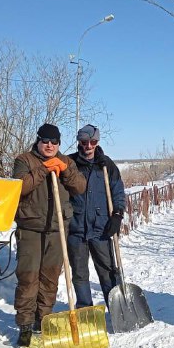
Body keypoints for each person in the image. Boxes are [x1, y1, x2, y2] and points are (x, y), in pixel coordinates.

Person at [12, 123, 86, 347]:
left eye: (54, 142)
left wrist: (65, 170)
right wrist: (44, 169)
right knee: (28, 278)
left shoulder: (67, 162)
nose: (50, 145)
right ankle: (25, 325)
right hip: (31, 228)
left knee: (50, 279)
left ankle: (43, 320)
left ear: (59, 144)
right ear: (38, 141)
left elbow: (80, 187)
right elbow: (20, 187)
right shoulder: (24, 160)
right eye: (46, 141)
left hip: (57, 229)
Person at [67, 124, 126, 309]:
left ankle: (116, 308)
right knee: (79, 273)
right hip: (76, 229)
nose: (88, 146)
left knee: (108, 270)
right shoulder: (70, 164)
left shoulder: (106, 164)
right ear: (79, 142)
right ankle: (85, 309)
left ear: (97, 142)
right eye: (84, 142)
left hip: (101, 228)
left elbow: (118, 191)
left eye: (92, 142)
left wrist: (117, 214)